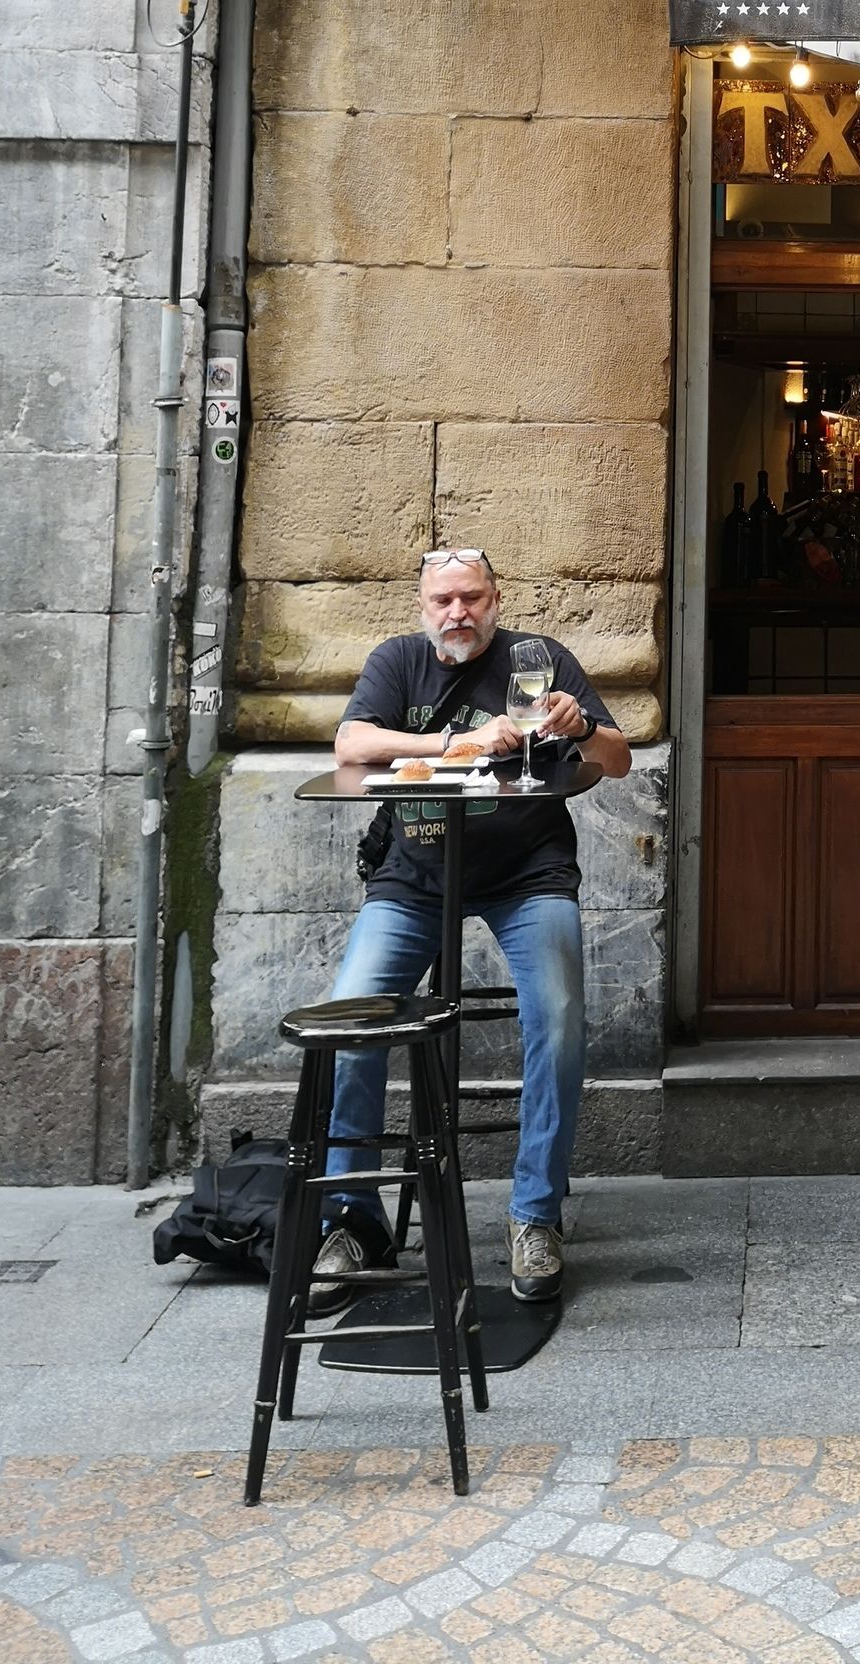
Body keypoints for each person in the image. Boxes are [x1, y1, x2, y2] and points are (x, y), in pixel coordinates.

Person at [312, 546, 631, 1309]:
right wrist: (457, 744)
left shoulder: (537, 658)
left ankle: (535, 1215)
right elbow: (351, 745)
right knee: (350, 1021)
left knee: (558, 1018)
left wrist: (583, 724)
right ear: (423, 608)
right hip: (414, 877)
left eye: (472, 598)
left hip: (527, 873)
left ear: (496, 600)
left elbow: (617, 760)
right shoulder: (398, 662)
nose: (458, 612)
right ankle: (354, 1220)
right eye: (443, 600)